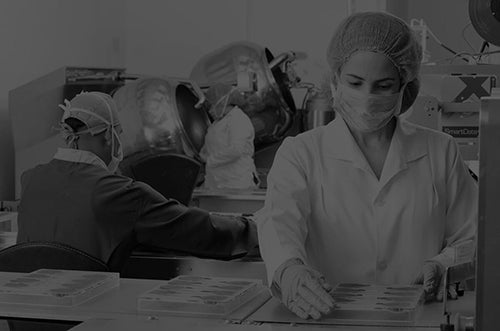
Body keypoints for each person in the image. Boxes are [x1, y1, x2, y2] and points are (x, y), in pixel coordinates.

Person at [256, 12, 477, 320]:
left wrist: (443, 265)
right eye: (355, 82)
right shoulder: (301, 153)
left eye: (383, 85)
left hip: (415, 320)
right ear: (335, 79)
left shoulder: (440, 150)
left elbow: (472, 235)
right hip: (328, 319)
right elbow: (279, 225)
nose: (367, 97)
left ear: (404, 85)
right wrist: (289, 269)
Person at [17, 91, 258, 264]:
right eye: (119, 132)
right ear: (110, 136)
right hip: (92, 316)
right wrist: (254, 228)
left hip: (32, 318)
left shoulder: (29, 181)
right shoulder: (117, 193)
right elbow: (195, 229)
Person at [200, 83, 259, 190]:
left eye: (212, 105)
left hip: (236, 182)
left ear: (223, 102)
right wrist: (203, 153)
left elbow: (236, 150)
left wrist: (210, 159)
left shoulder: (238, 119)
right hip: (216, 182)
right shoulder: (217, 123)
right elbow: (212, 145)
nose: (210, 110)